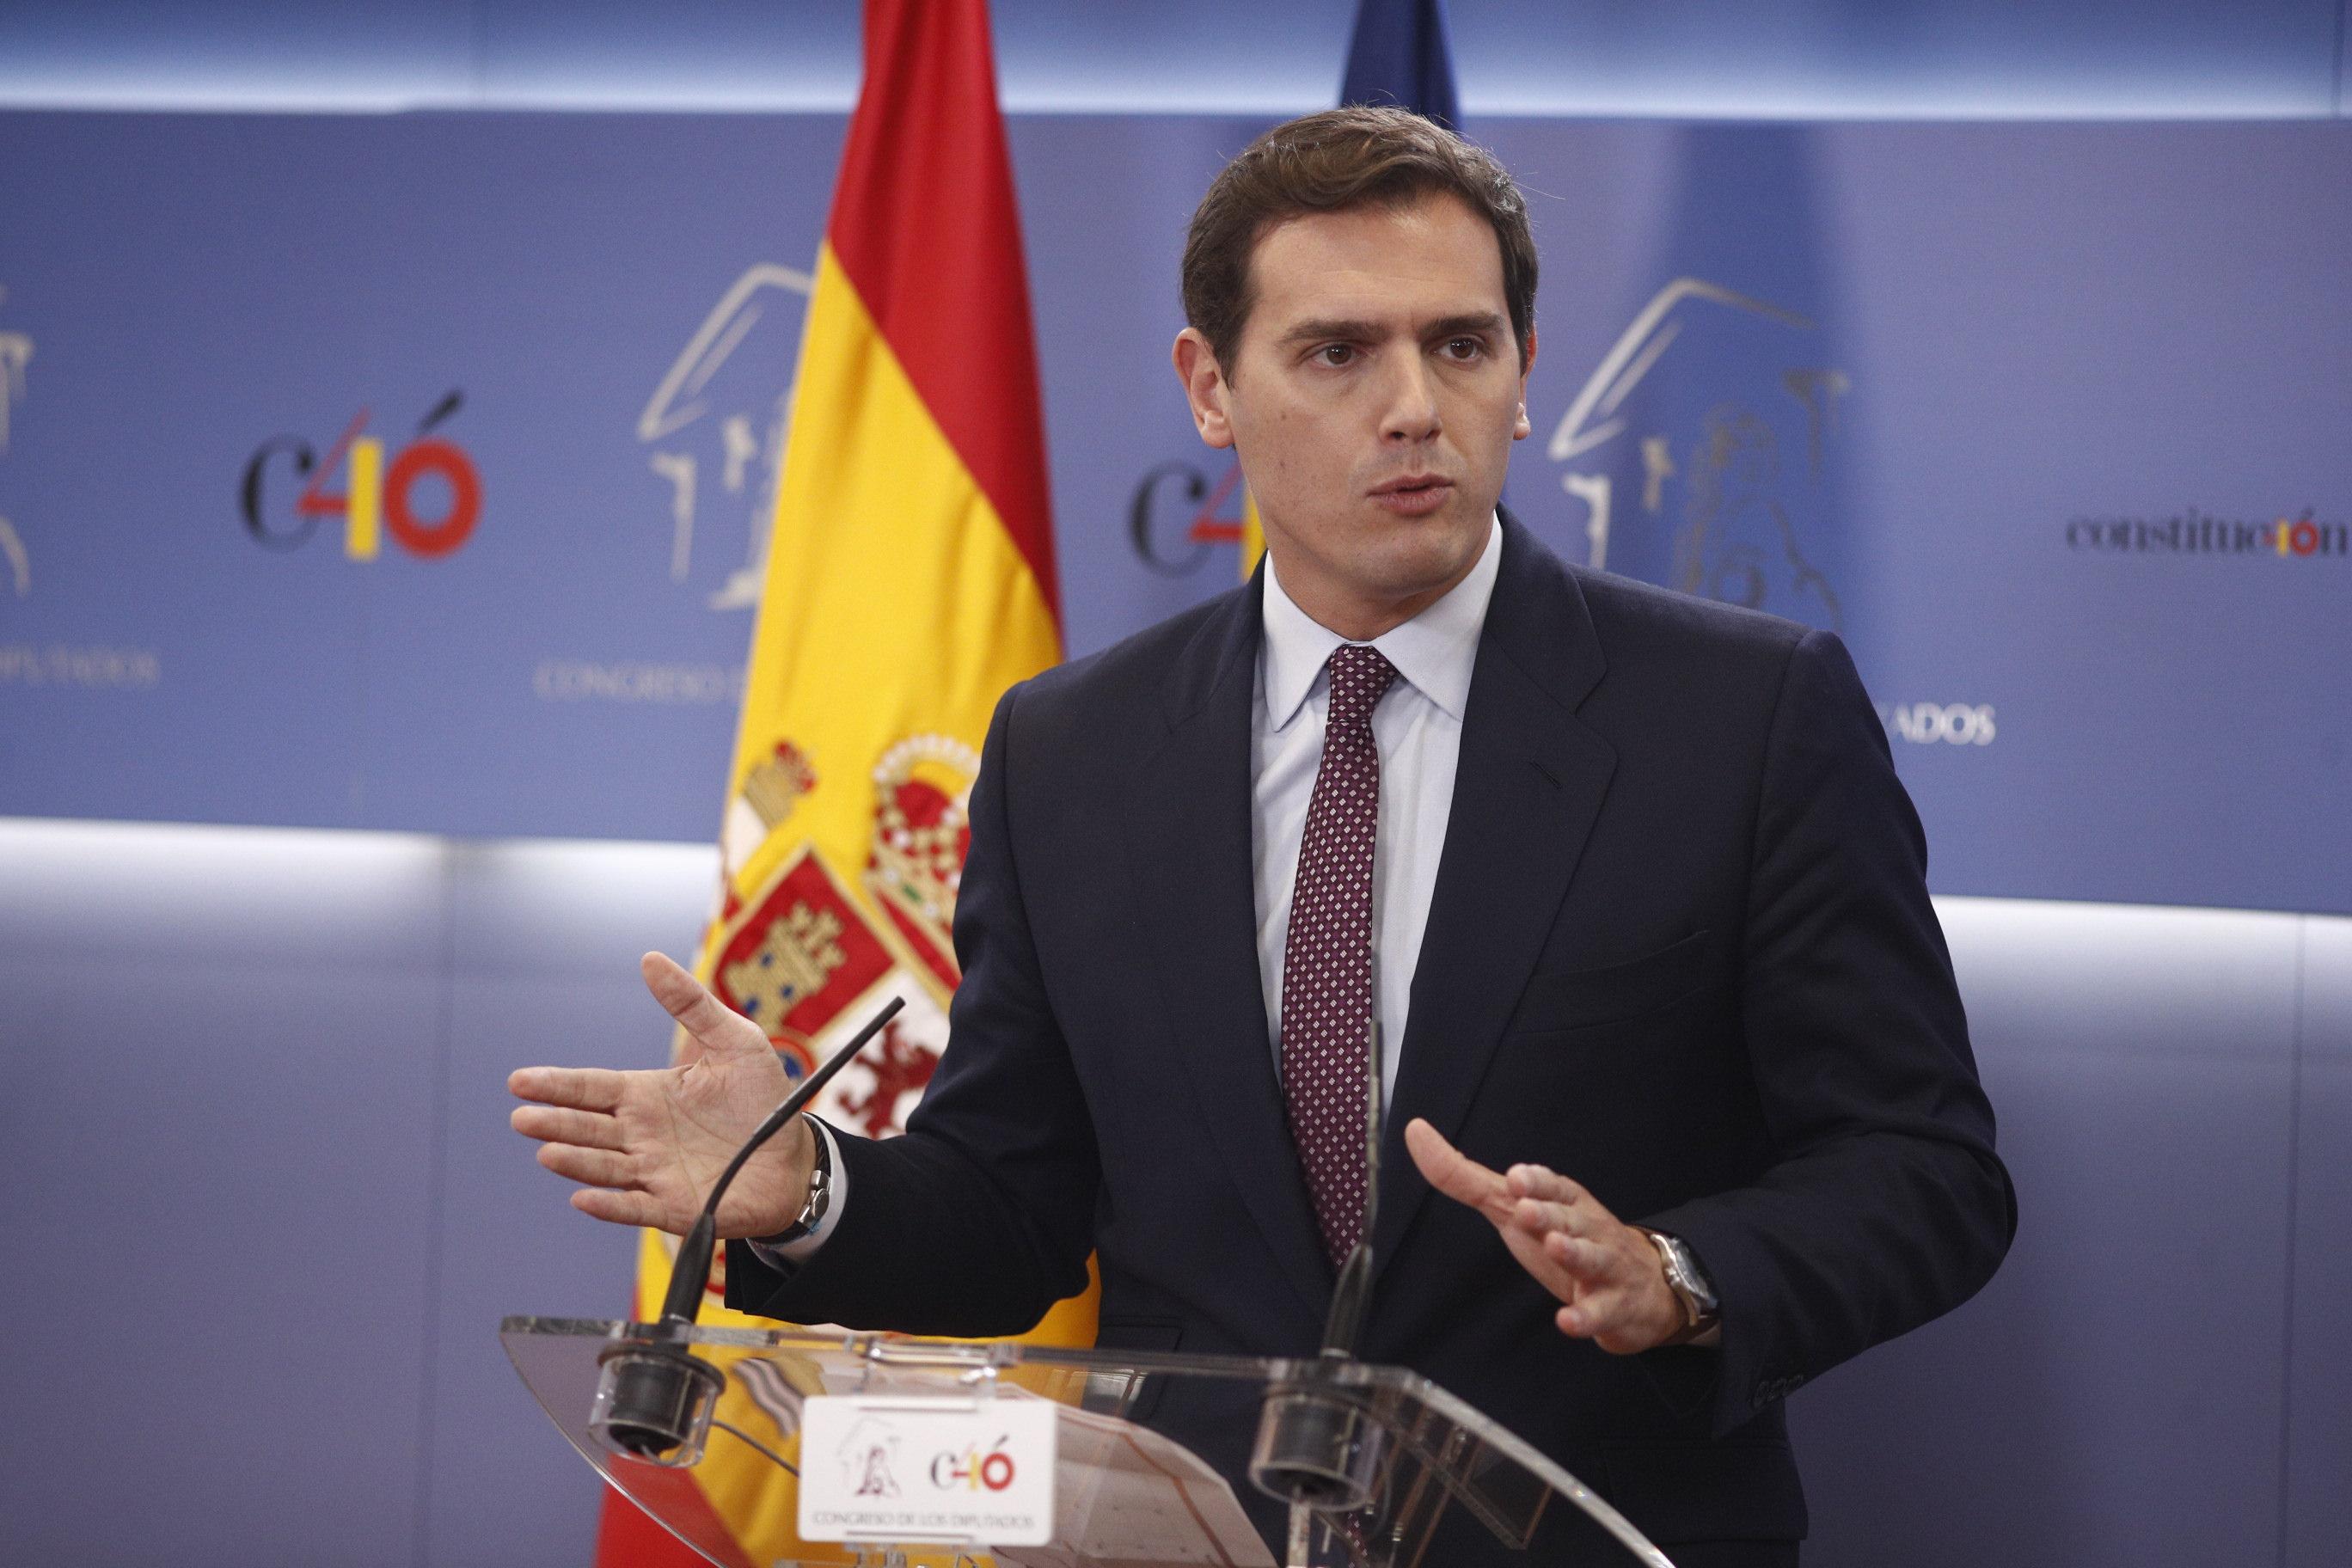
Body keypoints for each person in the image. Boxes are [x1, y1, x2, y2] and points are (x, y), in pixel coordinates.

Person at [511, 107, 2014, 1566]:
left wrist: (1681, 1276)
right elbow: (1018, 1204)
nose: (1414, 403)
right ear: (1210, 389)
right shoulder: (1072, 752)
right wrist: (806, 1191)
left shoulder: (1745, 718)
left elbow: (1923, 1169)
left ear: (1526, 372)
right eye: (1338, 351)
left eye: (1461, 344)